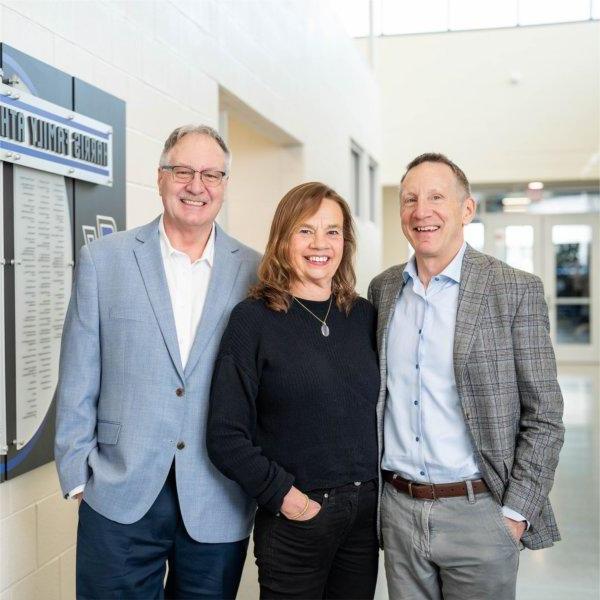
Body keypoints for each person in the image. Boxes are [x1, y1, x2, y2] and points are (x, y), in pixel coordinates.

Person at [54, 124, 261, 599]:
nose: (196, 185)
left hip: (217, 496)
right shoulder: (104, 261)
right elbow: (77, 377)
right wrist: (79, 478)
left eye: (211, 174)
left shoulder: (255, 270)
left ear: (225, 186)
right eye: (183, 170)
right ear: (160, 177)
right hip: (118, 494)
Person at [368, 153, 564, 600]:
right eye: (410, 199)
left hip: (480, 512)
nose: (422, 211)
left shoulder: (514, 289)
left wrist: (515, 513)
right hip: (398, 512)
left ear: (467, 209)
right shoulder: (383, 291)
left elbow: (545, 414)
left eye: (437, 197)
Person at [207, 182, 380, 599]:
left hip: (363, 520)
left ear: (345, 242)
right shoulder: (253, 320)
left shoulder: (363, 316)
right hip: (296, 519)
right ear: (283, 238)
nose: (320, 244)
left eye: (332, 231)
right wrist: (286, 498)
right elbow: (225, 435)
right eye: (305, 230)